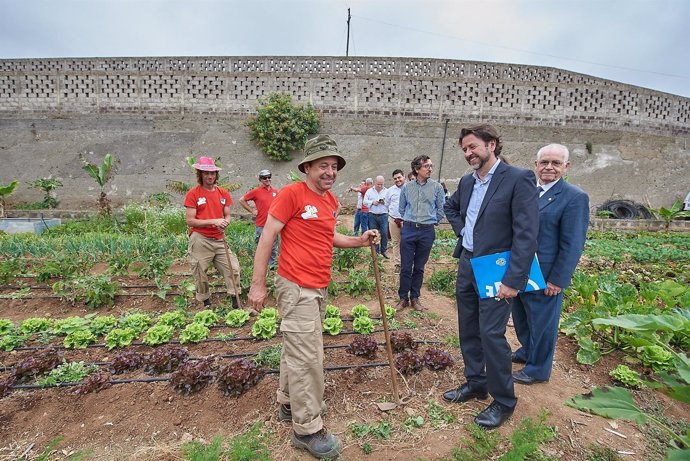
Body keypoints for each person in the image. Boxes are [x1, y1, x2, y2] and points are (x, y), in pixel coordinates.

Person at [248, 134, 379, 459]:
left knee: (298, 348)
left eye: (334, 166)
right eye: (323, 165)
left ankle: (288, 404)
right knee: (309, 358)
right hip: (295, 287)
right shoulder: (293, 194)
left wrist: (359, 240)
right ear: (307, 166)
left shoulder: (330, 201)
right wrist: (257, 284)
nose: (330, 172)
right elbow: (267, 237)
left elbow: (329, 237)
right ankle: (307, 430)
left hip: (318, 287)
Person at [442, 124, 538, 429]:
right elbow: (451, 206)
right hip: (468, 263)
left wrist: (512, 280)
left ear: (491, 144)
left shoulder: (518, 178)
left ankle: (504, 400)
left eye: (473, 147)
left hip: (496, 269)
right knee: (468, 327)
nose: (469, 153)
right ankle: (476, 383)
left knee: (492, 334)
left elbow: (526, 234)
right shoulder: (468, 182)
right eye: (465, 149)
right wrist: (462, 231)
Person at [511, 144, 589, 384]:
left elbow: (573, 243)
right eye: (544, 162)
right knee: (522, 316)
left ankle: (538, 369)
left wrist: (558, 279)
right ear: (535, 165)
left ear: (566, 167)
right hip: (521, 270)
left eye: (555, 163)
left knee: (543, 322)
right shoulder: (530, 192)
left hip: (546, 275)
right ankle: (527, 351)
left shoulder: (574, 197)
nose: (548, 167)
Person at [184, 156, 241, 308]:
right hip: (200, 239)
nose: (210, 176)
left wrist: (225, 223)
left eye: (213, 173)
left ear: (216, 175)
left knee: (233, 268)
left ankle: (235, 303)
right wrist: (213, 221)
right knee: (199, 271)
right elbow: (190, 220)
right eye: (206, 173)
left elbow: (227, 215)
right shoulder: (193, 194)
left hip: (219, 238)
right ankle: (206, 303)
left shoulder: (223, 193)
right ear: (200, 174)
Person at [397, 155, 446, 311]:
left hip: (427, 231)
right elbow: (401, 207)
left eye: (431, 166)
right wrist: (409, 220)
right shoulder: (407, 187)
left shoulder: (437, 187)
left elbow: (441, 208)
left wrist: (433, 221)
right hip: (409, 229)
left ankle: (415, 298)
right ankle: (403, 298)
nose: (430, 168)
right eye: (426, 166)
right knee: (405, 266)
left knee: (419, 267)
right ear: (417, 169)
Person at [239, 169, 279, 267]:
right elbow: (241, 200)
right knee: (261, 246)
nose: (267, 179)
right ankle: (260, 265)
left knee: (273, 246)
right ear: (260, 179)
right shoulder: (256, 191)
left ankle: (271, 266)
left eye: (269, 177)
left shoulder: (275, 191)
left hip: (272, 224)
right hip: (261, 224)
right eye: (265, 178)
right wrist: (252, 210)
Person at [363, 175, 389, 257]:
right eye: (378, 184)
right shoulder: (369, 191)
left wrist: (384, 202)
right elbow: (364, 202)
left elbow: (391, 203)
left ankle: (384, 251)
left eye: (381, 184)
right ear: (375, 183)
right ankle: (376, 252)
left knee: (384, 233)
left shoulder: (387, 191)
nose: (380, 186)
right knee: (374, 234)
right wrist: (372, 202)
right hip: (372, 216)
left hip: (383, 215)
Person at [385, 169, 405, 267]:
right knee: (396, 242)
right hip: (393, 220)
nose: (397, 180)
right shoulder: (390, 191)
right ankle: (398, 264)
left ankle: (406, 263)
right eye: (395, 178)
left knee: (407, 242)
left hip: (407, 221)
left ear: (403, 177)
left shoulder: (409, 188)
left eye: (399, 177)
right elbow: (387, 204)